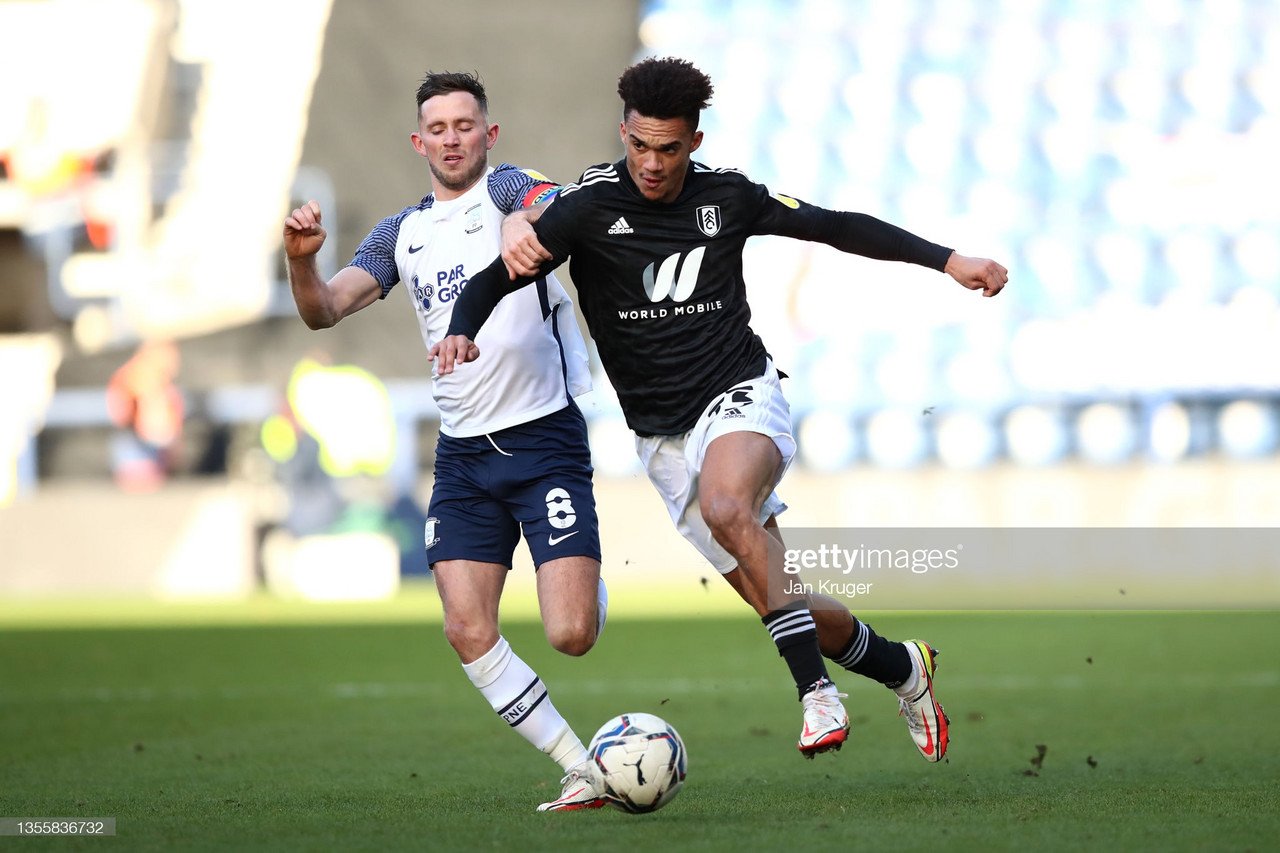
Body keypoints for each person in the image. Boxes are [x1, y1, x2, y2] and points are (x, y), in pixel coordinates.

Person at [434, 57, 1009, 765]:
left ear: (694, 143)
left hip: (739, 392)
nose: (651, 163)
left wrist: (948, 259)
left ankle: (817, 695)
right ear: (624, 133)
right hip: (660, 438)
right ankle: (903, 668)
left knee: (728, 505)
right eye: (639, 146)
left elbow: (835, 226)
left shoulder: (728, 197)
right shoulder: (587, 209)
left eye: (668, 149)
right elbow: (497, 277)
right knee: (782, 595)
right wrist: (462, 325)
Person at [283, 71, 609, 812]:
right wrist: (301, 259)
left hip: (543, 437)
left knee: (571, 633)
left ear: (487, 135)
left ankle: (585, 579)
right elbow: (325, 310)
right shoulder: (400, 234)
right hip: (462, 455)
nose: (453, 138)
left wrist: (530, 222)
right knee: (465, 626)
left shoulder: (509, 190)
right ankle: (578, 764)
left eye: (467, 125)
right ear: (418, 140)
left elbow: (550, 203)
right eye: (439, 127)